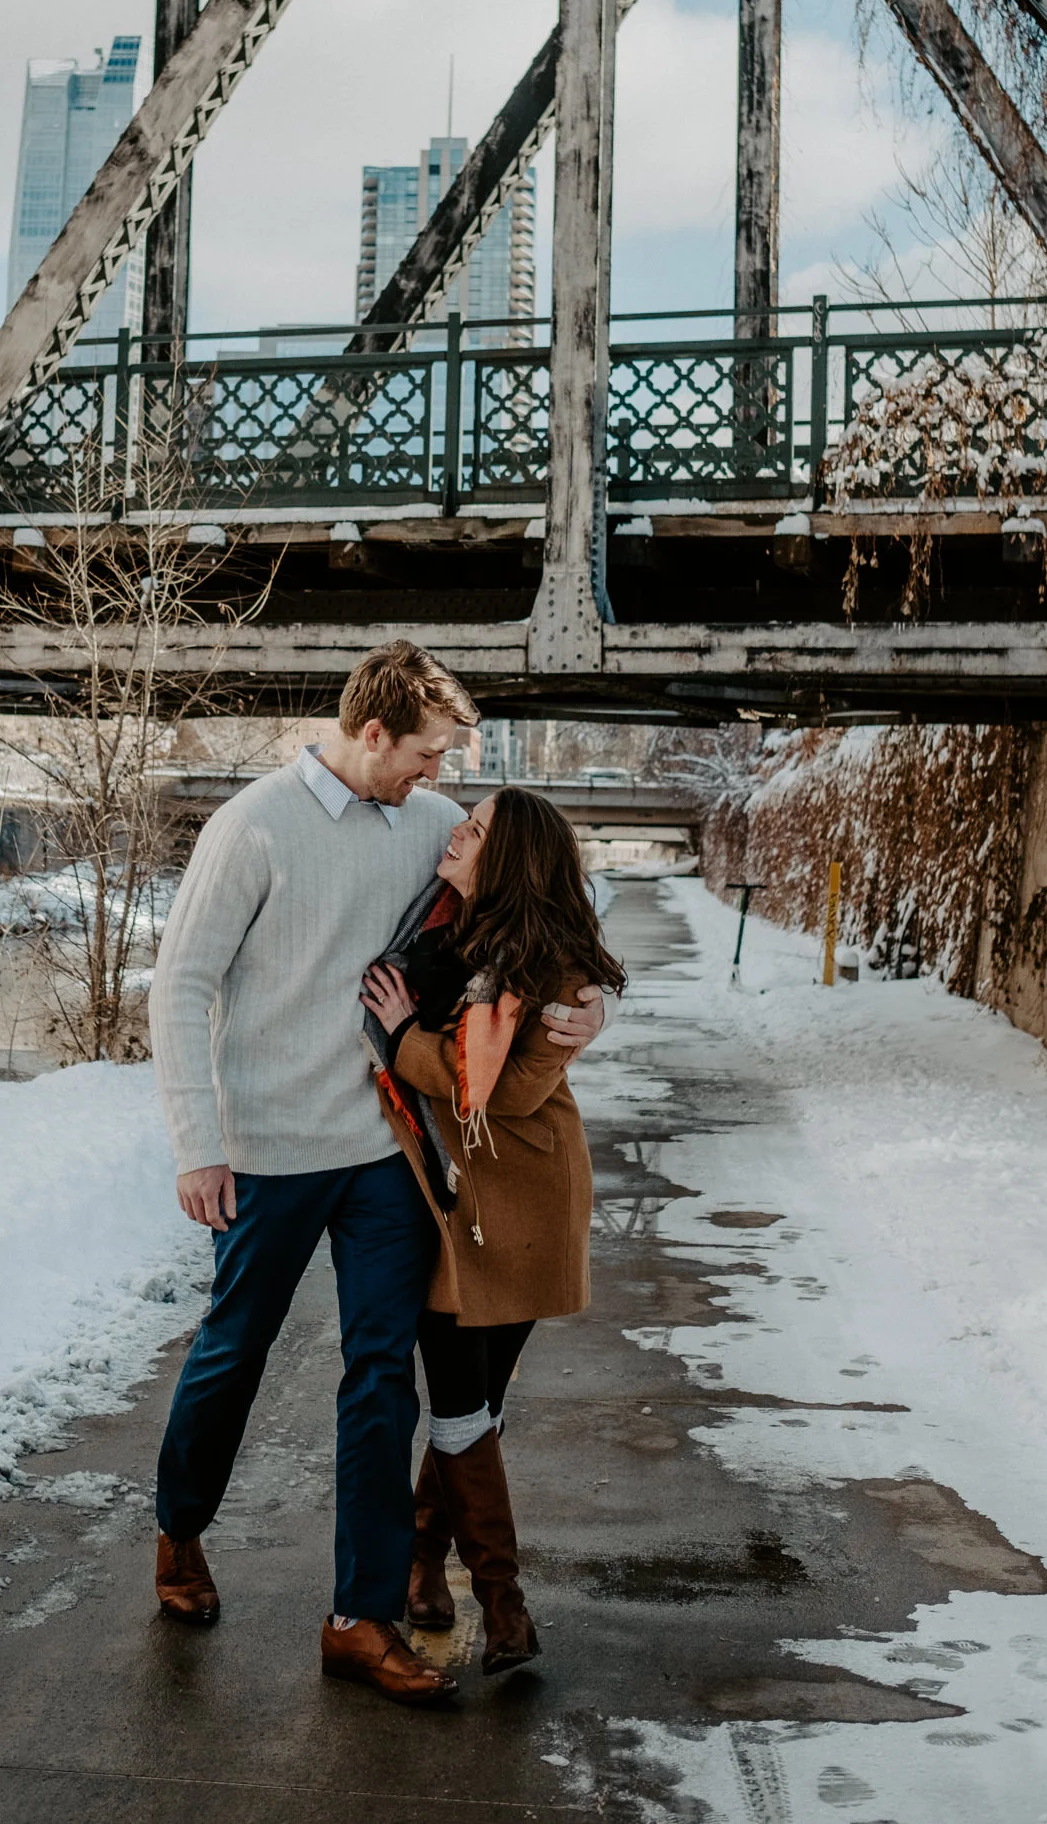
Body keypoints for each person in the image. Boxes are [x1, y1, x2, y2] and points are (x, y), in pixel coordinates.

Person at [149, 642, 607, 1707]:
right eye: (427, 752)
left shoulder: (431, 826)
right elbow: (180, 986)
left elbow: (548, 903)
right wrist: (197, 1143)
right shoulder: (253, 827)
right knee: (235, 1349)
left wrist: (591, 1008)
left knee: (380, 1377)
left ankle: (360, 1617)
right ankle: (179, 1528)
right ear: (372, 734)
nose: (440, 774)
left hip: (388, 1152)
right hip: (269, 1151)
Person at [360, 786, 626, 1674]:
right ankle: (500, 1603)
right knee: (460, 1400)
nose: (455, 833)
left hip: (523, 1200)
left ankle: (426, 1564)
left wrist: (404, 1036)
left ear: (505, 858)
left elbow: (504, 1093)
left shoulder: (559, 974)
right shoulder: (439, 935)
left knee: (477, 1402)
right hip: (448, 1199)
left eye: (472, 831)